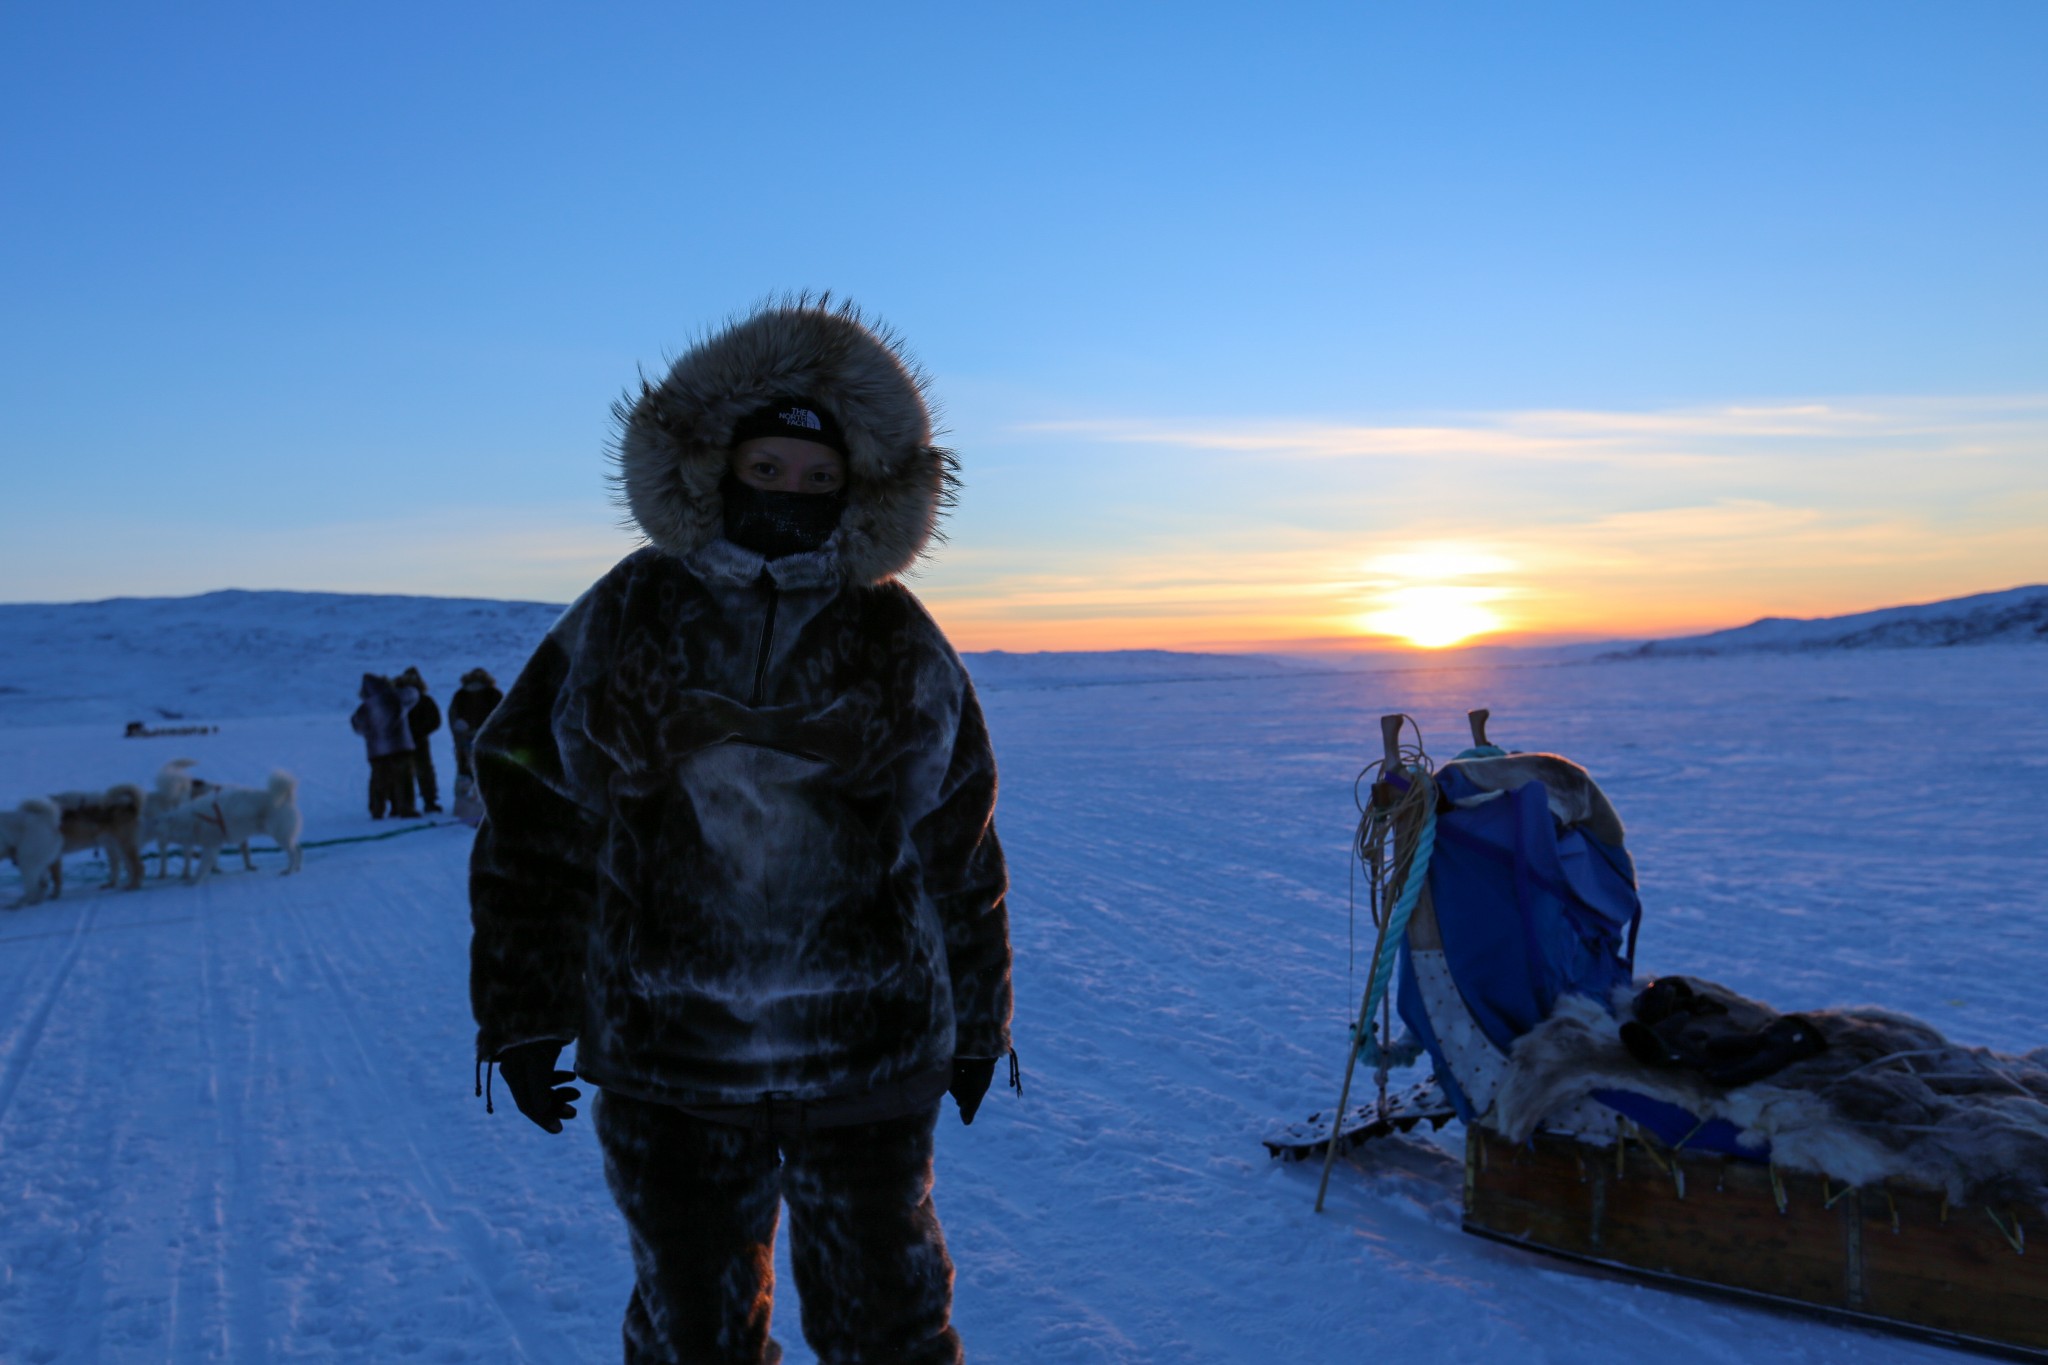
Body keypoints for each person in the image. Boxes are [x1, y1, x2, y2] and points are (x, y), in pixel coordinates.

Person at [469, 297, 1014, 1365]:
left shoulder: (893, 633)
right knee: (693, 1333)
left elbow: (960, 841)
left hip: (866, 1051)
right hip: (669, 1056)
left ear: (859, 494)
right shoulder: (625, 615)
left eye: (818, 482)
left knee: (891, 1328)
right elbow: (532, 816)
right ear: (713, 469)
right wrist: (523, 1013)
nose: (791, 497)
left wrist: (980, 1020)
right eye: (768, 471)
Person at [349, 673, 420, 819]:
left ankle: (377, 810)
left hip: (377, 750)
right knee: (404, 779)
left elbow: (357, 727)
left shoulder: (363, 709)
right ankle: (406, 809)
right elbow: (414, 694)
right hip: (400, 746)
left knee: (378, 780)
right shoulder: (396, 697)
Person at [396, 665, 444, 814]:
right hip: (411, 741)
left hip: (411, 742)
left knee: (416, 772)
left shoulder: (397, 699)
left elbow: (435, 721)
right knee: (417, 772)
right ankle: (417, 803)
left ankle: (412, 803)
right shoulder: (399, 700)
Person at [447, 667, 503, 781]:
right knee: (490, 775)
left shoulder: (460, 694)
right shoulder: (495, 693)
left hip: (465, 741)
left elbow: (453, 717)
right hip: (489, 742)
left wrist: (459, 737)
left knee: (466, 775)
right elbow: (503, 717)